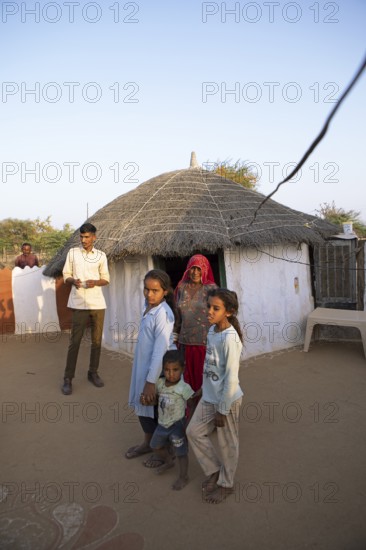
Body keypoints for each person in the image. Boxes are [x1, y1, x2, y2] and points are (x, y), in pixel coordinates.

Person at [187, 288, 243, 504]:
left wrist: (223, 408)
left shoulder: (230, 339)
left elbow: (230, 378)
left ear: (229, 312)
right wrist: (202, 389)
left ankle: (226, 484)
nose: (209, 311)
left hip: (226, 400)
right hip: (209, 396)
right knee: (193, 431)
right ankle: (214, 470)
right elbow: (210, 365)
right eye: (208, 306)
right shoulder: (212, 331)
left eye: (215, 308)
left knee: (227, 442)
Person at [126, 269, 178, 468]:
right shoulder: (148, 306)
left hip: (155, 371)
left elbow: (159, 351)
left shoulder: (163, 314)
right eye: (146, 289)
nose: (149, 294)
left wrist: (150, 382)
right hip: (143, 368)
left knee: (155, 410)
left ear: (165, 291)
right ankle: (148, 444)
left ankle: (164, 453)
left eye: (155, 290)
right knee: (144, 408)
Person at [61, 223, 110, 396]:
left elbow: (106, 279)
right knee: (75, 342)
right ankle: (68, 378)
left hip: (97, 303)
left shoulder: (101, 256)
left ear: (94, 237)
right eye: (82, 237)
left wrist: (95, 282)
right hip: (78, 303)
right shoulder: (73, 253)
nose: (84, 240)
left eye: (87, 237)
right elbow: (66, 274)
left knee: (96, 342)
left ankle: (92, 372)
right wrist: (72, 281)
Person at [148, 350, 195, 490]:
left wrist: (188, 424)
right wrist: (146, 400)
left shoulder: (184, 388)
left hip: (177, 426)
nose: (171, 374)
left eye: (175, 370)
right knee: (155, 446)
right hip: (162, 424)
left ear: (182, 369)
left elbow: (192, 405)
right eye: (167, 370)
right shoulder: (160, 383)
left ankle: (183, 476)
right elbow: (155, 400)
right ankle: (168, 460)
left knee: (181, 453)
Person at [175, 254, 217, 392]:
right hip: (185, 343)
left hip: (204, 343)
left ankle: (206, 411)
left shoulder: (211, 289)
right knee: (187, 382)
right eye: (193, 268)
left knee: (205, 380)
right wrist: (175, 335)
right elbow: (177, 314)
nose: (195, 272)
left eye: (199, 269)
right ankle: (190, 411)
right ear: (188, 269)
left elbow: (218, 314)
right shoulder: (181, 287)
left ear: (205, 270)